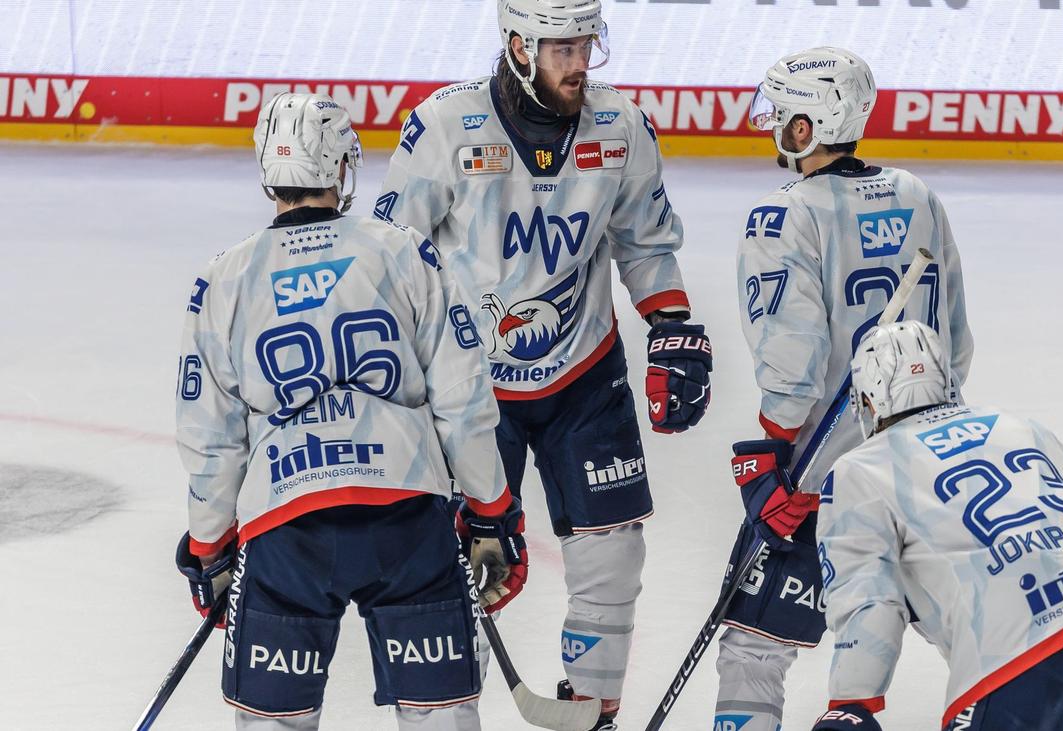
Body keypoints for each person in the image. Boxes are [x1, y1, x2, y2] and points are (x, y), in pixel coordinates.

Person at [375, 2, 711, 728]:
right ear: (519, 46)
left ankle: (592, 712)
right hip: (469, 387)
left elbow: (646, 242)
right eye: (563, 48)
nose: (580, 63)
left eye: (586, 44)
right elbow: (391, 260)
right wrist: (393, 372)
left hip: (584, 373)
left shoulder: (620, 126)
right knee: (458, 570)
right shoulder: (446, 125)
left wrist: (672, 324)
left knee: (613, 557)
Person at [174, 92, 524, 730]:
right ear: (341, 167)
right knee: (440, 717)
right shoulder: (404, 251)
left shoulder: (223, 278)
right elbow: (462, 396)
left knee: (273, 721)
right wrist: (491, 509)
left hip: (287, 526)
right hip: (406, 516)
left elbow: (211, 436)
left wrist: (209, 544)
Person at [717, 47, 973, 731]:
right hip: (933, 464)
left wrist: (772, 452)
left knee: (752, 652)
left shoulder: (783, 216)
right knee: (983, 639)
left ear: (805, 127)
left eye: (781, 112)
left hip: (824, 478)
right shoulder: (918, 195)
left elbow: (793, 358)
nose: (772, 123)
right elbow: (955, 344)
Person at [810, 321, 1063, 731]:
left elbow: (870, 601)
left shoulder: (859, 470)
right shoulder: (1018, 426)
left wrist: (852, 703)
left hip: (1016, 656)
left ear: (868, 400)